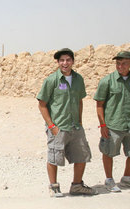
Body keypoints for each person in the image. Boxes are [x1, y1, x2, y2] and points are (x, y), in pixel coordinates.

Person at [37, 48, 97, 197]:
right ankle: (53, 186)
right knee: (54, 156)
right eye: (62, 60)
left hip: (75, 126)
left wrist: (80, 122)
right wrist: (51, 125)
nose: (65, 63)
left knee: (82, 155)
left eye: (68, 60)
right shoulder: (51, 80)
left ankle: (77, 186)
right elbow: (42, 104)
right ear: (58, 63)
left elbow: (80, 101)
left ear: (73, 62)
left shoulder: (78, 79)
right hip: (58, 126)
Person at [94, 51, 130, 192]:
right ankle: (109, 180)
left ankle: (127, 178)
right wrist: (103, 125)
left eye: (124, 63)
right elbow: (99, 104)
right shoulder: (107, 81)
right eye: (118, 63)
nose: (120, 66)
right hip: (113, 123)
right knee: (108, 152)